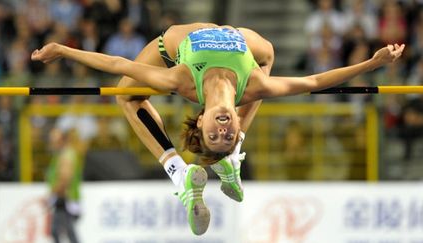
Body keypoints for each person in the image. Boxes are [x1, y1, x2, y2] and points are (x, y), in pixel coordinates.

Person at [31, 22, 405, 235]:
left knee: (124, 97)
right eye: (229, 136)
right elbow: (317, 80)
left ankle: (179, 173)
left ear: (202, 118)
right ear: (239, 123)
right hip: (236, 38)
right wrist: (370, 64)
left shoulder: (180, 80)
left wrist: (63, 51)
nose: (223, 130)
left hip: (170, 45)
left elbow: (115, 63)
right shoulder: (256, 85)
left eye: (216, 136)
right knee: (268, 54)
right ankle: (232, 161)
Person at [46, 127, 83, 243]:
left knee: (60, 231)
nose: (52, 143)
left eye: (54, 141)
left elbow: (64, 178)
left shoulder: (66, 155)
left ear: (61, 140)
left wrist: (53, 193)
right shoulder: (61, 155)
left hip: (65, 200)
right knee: (64, 231)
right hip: (64, 200)